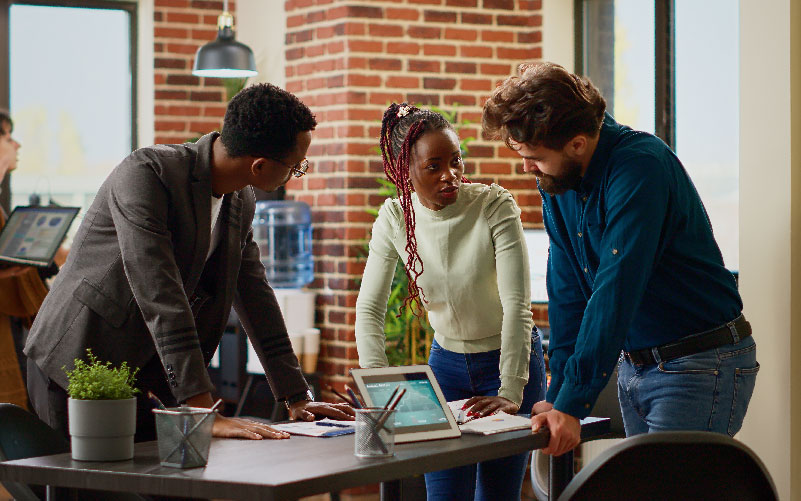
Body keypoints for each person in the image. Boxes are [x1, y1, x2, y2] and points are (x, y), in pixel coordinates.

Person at [24, 83, 354, 442]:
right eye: (296, 167)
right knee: (80, 492)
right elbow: (160, 293)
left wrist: (295, 395)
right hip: (75, 360)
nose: (295, 176)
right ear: (259, 167)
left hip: (143, 375)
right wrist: (202, 409)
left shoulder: (240, 200)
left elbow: (255, 293)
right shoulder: (147, 174)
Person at [482, 62, 759, 456]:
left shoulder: (640, 167)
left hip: (698, 364)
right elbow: (568, 295)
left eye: (536, 157)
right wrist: (559, 394)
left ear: (578, 143)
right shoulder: (559, 180)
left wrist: (572, 404)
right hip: (636, 367)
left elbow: (615, 290)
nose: (527, 167)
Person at [355, 103, 546, 500]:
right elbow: (370, 308)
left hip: (509, 364)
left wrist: (511, 391)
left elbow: (517, 306)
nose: (450, 175)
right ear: (404, 171)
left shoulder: (494, 205)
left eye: (456, 161)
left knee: (495, 495)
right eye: (434, 166)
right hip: (446, 368)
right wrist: (378, 390)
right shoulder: (394, 218)